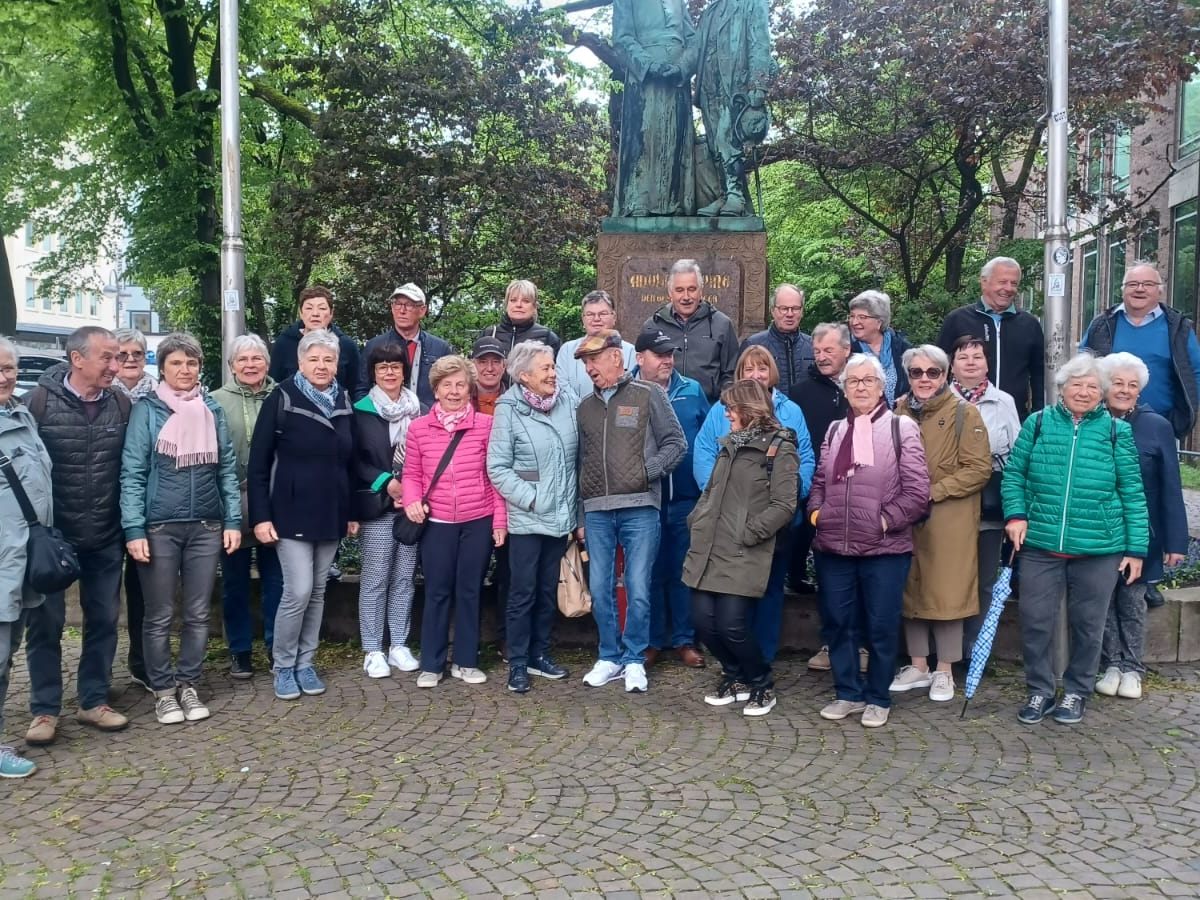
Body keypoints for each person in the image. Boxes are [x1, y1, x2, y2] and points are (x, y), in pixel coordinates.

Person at [1002, 354, 1149, 726]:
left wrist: (1136, 549)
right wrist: (1016, 515)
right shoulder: (1037, 423)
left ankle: (1076, 691)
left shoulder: (1117, 432)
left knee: (1088, 625)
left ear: (1102, 393)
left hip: (1099, 548)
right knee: (1035, 621)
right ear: (1062, 387)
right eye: (1076, 384)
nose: (1083, 392)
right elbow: (1014, 475)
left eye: (1092, 387)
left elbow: (1132, 492)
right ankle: (1039, 690)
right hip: (1041, 543)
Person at [121, 332, 241, 725]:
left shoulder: (211, 409)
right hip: (159, 527)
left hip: (206, 525)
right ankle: (163, 691)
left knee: (197, 613)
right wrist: (134, 529)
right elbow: (133, 474)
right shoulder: (148, 410)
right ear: (162, 368)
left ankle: (188, 683)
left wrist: (232, 521)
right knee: (158, 615)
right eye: (176, 363)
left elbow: (226, 469)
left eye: (191, 362)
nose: (185, 370)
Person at [22, 326, 131, 747]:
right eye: (107, 357)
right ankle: (44, 709)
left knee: (103, 620)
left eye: (118, 357)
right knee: (45, 624)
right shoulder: (38, 403)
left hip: (105, 533)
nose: (116, 365)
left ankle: (93, 700)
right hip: (54, 538)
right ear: (77, 359)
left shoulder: (121, 403)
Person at [808, 354, 931, 728]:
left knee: (880, 626)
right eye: (853, 381)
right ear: (844, 388)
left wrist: (883, 521)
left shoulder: (901, 428)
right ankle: (848, 692)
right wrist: (817, 514)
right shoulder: (835, 430)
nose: (860, 387)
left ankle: (878, 696)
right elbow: (819, 481)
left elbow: (917, 492)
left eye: (868, 380)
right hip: (834, 547)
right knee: (837, 622)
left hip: (884, 549)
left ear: (881, 387)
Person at [248, 329, 358, 702]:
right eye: (314, 359)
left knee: (318, 591)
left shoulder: (343, 399)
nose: (321, 365)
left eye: (328, 359)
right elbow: (258, 465)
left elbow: (350, 463)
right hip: (290, 511)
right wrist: (261, 517)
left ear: (337, 364)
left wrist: (352, 512)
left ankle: (305, 663)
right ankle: (283, 666)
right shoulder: (281, 398)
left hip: (331, 511)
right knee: (298, 591)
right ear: (300, 362)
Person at [575, 330, 686, 693]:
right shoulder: (584, 407)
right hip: (596, 510)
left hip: (640, 507)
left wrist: (646, 472)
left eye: (594, 359)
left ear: (615, 357)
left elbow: (676, 443)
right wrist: (580, 516)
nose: (589, 368)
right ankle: (609, 656)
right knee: (599, 588)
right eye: (585, 362)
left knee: (638, 586)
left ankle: (634, 659)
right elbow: (580, 462)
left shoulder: (648, 393)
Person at [693, 345, 814, 663]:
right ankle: (738, 662)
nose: (756, 374)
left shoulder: (791, 411)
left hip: (774, 521)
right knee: (730, 597)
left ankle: (762, 659)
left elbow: (805, 458)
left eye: (762, 368)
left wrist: (789, 496)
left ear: (772, 372)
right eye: (749, 369)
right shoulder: (721, 410)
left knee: (770, 590)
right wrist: (715, 497)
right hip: (727, 521)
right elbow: (704, 451)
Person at [685, 380, 798, 716]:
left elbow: (784, 504)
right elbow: (710, 491)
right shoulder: (729, 445)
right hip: (709, 545)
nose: (726, 414)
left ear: (750, 409)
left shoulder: (780, 447)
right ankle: (734, 677)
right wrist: (697, 520)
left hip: (744, 549)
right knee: (703, 622)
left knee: (732, 625)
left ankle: (761, 682)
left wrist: (750, 533)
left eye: (731, 408)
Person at [891, 345, 991, 703]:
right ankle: (918, 664)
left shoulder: (966, 412)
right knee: (912, 586)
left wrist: (933, 492)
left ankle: (945, 669)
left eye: (932, 372)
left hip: (950, 515)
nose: (924, 379)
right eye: (916, 372)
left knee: (948, 590)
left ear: (945, 375)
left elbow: (978, 469)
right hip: (907, 514)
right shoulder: (898, 410)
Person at [402, 355, 507, 688]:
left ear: (469, 389)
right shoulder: (418, 428)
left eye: (461, 384)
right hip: (437, 522)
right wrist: (412, 500)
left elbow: (494, 477)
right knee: (436, 591)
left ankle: (466, 661)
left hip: (478, 520)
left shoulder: (486, 426)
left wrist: (499, 521)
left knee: (470, 591)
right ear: (435, 390)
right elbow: (411, 473)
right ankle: (431, 664)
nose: (454, 391)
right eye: (447, 385)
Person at [1095, 353, 1187, 701]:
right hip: (1100, 531)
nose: (1124, 390)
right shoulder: (1092, 422)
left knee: (1133, 603)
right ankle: (1111, 664)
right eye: (1118, 383)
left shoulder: (1156, 426)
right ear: (1105, 386)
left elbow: (1171, 487)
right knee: (1103, 601)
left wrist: (1175, 541)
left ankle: (1133, 668)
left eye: (1132, 385)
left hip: (1141, 534)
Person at [487, 341, 577, 693]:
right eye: (546, 368)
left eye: (553, 367)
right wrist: (532, 498)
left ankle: (540, 654)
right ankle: (518, 663)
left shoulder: (568, 402)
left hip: (561, 514)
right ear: (524, 376)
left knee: (546, 590)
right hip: (527, 516)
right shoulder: (508, 408)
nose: (553, 374)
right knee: (522, 592)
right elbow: (497, 466)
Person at [633, 327, 710, 668]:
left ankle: (684, 639)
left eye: (670, 354)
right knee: (648, 572)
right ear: (640, 358)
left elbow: (707, 438)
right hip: (642, 499)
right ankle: (651, 641)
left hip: (684, 498)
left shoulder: (692, 389)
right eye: (659, 354)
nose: (667, 360)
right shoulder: (627, 390)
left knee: (683, 571)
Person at [947, 335, 1022, 661]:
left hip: (989, 503)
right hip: (950, 503)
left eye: (977, 356)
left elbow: (1017, 453)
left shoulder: (1004, 401)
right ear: (951, 365)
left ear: (987, 364)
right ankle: (947, 650)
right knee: (950, 577)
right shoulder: (939, 399)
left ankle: (976, 649)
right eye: (963, 357)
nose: (971, 362)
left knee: (985, 580)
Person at [212, 334, 281, 678]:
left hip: (274, 500)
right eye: (243, 360)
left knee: (276, 581)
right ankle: (239, 650)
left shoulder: (282, 395)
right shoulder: (215, 401)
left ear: (267, 363)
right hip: (232, 501)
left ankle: (275, 646)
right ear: (232, 366)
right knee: (235, 581)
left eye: (257, 359)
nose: (250, 365)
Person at [352, 342, 423, 679]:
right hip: (378, 504)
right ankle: (372, 649)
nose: (390, 372)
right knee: (376, 578)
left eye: (395, 366)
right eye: (382, 367)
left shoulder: (419, 409)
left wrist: (411, 490)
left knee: (405, 578)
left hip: (411, 505)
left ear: (404, 371)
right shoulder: (360, 411)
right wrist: (387, 483)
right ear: (373, 373)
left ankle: (398, 644)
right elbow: (354, 459)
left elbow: (427, 456)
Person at [0, 338, 53, 777]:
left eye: (8, 368)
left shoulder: (21, 414)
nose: (4, 377)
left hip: (20, 559)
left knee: (6, 653)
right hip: (3, 559)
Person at [788, 322, 853, 669]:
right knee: (828, 572)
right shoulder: (800, 393)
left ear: (846, 350)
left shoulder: (862, 387)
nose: (822, 357)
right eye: (817, 351)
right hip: (815, 492)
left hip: (857, 495)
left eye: (829, 350)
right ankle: (830, 643)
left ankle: (859, 644)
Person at [1081, 262, 1200, 440]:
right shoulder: (1102, 324)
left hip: (1160, 427)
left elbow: (1195, 373)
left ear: (1159, 290)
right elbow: (1083, 367)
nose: (1140, 289)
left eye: (1148, 284)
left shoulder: (1178, 328)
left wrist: (1179, 418)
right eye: (1133, 284)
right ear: (1123, 290)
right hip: (1103, 426)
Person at [611, 0, 697, 217]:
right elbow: (621, 38)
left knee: (675, 138)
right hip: (644, 80)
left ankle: (676, 201)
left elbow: (695, 41)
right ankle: (638, 201)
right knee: (644, 137)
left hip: (676, 80)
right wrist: (648, 65)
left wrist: (682, 67)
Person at [937, 257, 1046, 420]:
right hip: (962, 417)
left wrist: (1038, 416)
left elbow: (1039, 375)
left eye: (1014, 283)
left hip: (1015, 418)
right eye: (1002, 282)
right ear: (984, 282)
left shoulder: (1029, 324)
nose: (1008, 288)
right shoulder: (958, 320)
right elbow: (939, 368)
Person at [694, 0, 774, 216]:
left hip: (735, 86)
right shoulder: (709, 12)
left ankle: (735, 196)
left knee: (728, 140)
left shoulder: (751, 3)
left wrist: (758, 84)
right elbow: (695, 49)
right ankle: (724, 194)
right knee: (714, 144)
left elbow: (759, 42)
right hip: (708, 87)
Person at [112, 327, 156, 690]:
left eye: (137, 354)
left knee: (144, 588)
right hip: (103, 502)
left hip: (147, 504)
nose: (130, 360)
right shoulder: (102, 392)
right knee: (103, 592)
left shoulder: (160, 394)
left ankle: (142, 660)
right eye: (122, 354)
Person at [645, 259, 739, 402]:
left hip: (708, 408)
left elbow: (731, 374)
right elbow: (643, 371)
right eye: (679, 290)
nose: (686, 297)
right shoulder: (653, 325)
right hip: (661, 407)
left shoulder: (722, 325)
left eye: (692, 289)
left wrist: (722, 406)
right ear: (670, 292)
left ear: (701, 291)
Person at [360, 283, 452, 407]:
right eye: (398, 304)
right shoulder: (374, 346)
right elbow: (361, 389)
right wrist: (372, 415)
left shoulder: (440, 348)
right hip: (383, 416)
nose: (402, 311)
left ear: (422, 310)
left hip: (428, 416)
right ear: (392, 308)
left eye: (409, 305)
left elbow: (449, 388)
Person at [270, 285, 362, 399]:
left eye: (322, 308)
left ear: (331, 313)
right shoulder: (284, 343)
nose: (315, 313)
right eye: (309, 308)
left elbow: (357, 387)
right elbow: (273, 382)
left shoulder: (346, 345)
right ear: (300, 312)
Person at [557, 291, 636, 401]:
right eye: (590, 314)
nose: (596, 319)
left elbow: (634, 388)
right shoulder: (567, 350)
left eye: (603, 314)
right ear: (583, 319)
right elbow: (562, 387)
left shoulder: (630, 351)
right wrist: (588, 408)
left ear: (614, 317)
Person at [742, 284, 813, 395]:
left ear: (802, 311)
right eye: (784, 309)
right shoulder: (753, 345)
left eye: (795, 309)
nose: (790, 314)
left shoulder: (814, 346)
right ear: (772, 310)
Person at [848, 290, 910, 407]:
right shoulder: (847, 349)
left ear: (879, 322)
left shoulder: (901, 348)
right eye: (852, 316)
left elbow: (915, 382)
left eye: (862, 317)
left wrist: (908, 396)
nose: (854, 322)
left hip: (899, 416)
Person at [480, 280, 562, 357]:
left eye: (526, 301)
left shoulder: (548, 337)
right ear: (506, 304)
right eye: (513, 300)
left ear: (534, 306)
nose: (518, 305)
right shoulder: (490, 334)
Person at [471, 336, 508, 416]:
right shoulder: (460, 400)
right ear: (472, 365)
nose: (489, 368)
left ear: (504, 366)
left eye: (496, 361)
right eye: (483, 362)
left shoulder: (515, 401)